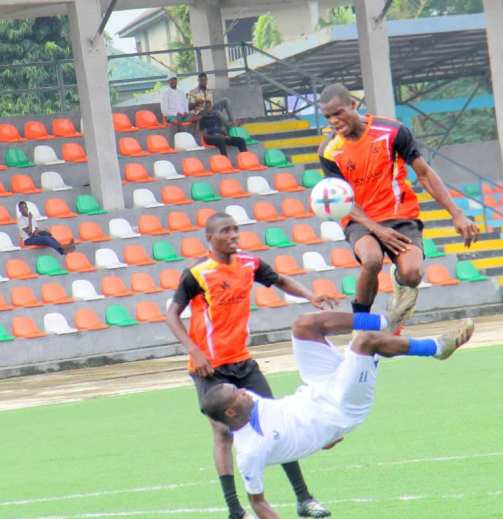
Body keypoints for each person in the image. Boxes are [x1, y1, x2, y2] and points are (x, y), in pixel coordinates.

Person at [200, 309, 476, 519]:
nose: (244, 391)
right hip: (340, 409)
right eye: (237, 393)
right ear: (231, 410)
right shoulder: (249, 452)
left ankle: (384, 320)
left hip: (316, 389)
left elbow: (287, 430)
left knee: (304, 325)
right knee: (366, 343)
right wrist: (326, 436)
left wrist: (322, 440)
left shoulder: (247, 404)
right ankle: (438, 348)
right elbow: (258, 501)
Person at [165, 213, 335, 519]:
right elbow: (172, 315)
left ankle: (304, 499)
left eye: (235, 229)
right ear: (210, 239)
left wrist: (311, 295)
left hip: (243, 361)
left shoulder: (249, 263)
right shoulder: (197, 274)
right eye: (225, 231)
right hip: (210, 368)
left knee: (277, 423)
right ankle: (234, 509)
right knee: (222, 433)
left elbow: (280, 281)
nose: (233, 235)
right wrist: (195, 351)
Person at [318, 83, 479, 327]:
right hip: (360, 219)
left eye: (338, 112)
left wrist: (456, 214)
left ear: (353, 105)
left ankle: (399, 284)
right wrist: (377, 228)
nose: (334, 120)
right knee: (371, 260)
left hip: (400, 214)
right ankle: (361, 324)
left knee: (412, 275)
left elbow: (424, 174)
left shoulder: (392, 131)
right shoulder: (329, 150)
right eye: (328, 116)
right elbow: (342, 199)